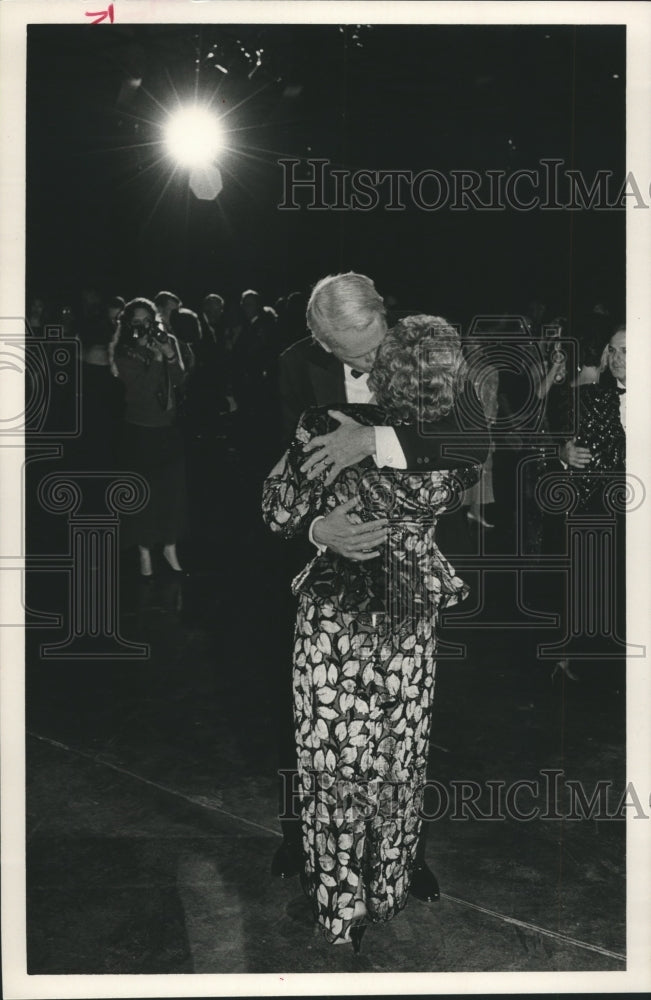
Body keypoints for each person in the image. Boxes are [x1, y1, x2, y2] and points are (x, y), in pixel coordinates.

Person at [262, 314, 482, 950]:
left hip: (339, 617)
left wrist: (310, 516)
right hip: (407, 611)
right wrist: (317, 528)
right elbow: (462, 455)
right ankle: (383, 883)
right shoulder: (448, 454)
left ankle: (341, 899)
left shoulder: (328, 425)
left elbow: (275, 504)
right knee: (396, 755)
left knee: (333, 758)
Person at [110, 297, 188, 578]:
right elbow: (139, 391)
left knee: (172, 492)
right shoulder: (123, 353)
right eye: (137, 322)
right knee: (145, 495)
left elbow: (180, 379)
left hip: (167, 429)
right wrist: (155, 360)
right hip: (139, 430)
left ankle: (169, 546)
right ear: (129, 325)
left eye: (148, 321)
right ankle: (144, 551)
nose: (144, 327)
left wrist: (168, 353)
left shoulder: (167, 340)